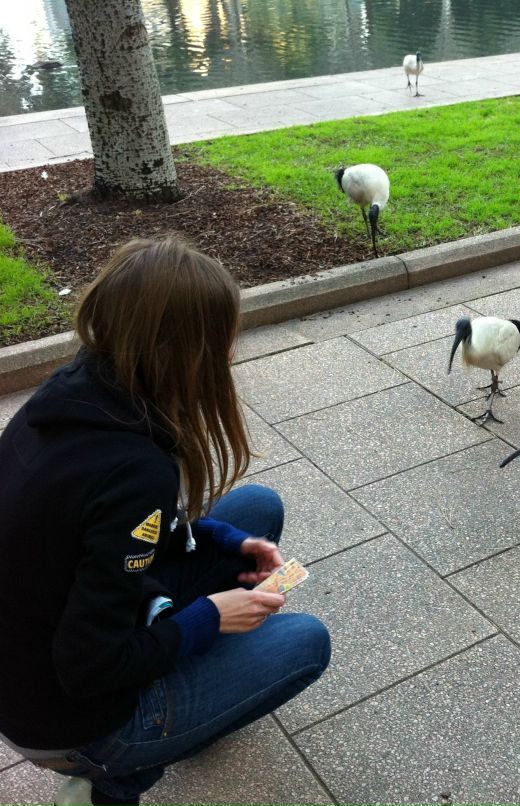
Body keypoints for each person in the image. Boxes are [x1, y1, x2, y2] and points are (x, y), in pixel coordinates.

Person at [0, 238, 331, 806]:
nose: (229, 356)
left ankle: (179, 671)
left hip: (22, 659)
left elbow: (107, 537)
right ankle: (117, 778)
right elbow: (87, 666)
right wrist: (209, 618)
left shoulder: (74, 394)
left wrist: (231, 540)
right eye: (221, 341)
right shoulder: (135, 470)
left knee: (254, 509)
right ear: (181, 351)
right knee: (304, 642)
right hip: (69, 719)